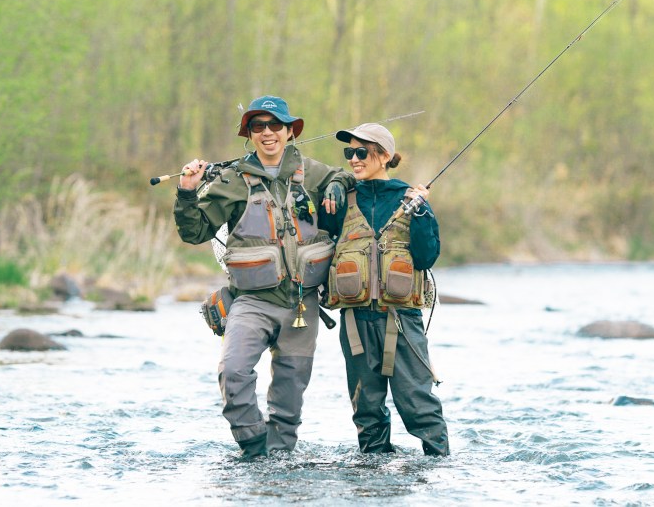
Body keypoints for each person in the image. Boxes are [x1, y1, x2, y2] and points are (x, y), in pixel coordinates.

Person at [173, 95, 354, 459]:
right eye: (258, 126)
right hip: (251, 302)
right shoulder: (232, 181)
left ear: (289, 131)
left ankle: (280, 462)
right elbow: (195, 232)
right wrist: (187, 191)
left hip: (303, 303)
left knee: (290, 397)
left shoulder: (312, 172)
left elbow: (346, 175)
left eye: (275, 125)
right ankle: (255, 448)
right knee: (233, 373)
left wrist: (338, 182)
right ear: (250, 134)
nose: (267, 132)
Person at [322, 122, 449, 456]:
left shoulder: (411, 199)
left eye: (361, 152)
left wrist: (421, 213)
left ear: (384, 156)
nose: (353, 159)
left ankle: (439, 468)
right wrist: (336, 182)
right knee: (366, 410)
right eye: (349, 152)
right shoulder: (341, 199)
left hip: (402, 320)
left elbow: (426, 256)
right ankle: (372, 473)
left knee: (418, 405)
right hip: (355, 323)